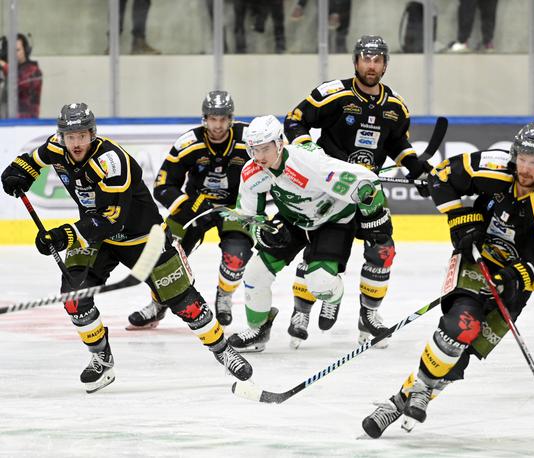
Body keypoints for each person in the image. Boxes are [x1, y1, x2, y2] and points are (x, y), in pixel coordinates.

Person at [0, 103, 252, 393]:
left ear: (93, 134)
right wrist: (17, 175)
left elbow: (111, 219)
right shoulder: (56, 147)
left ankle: (224, 352)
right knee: (74, 299)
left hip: (142, 238)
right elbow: (30, 161)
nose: (77, 142)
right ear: (62, 137)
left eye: (82, 135)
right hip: (95, 239)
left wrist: (64, 236)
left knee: (186, 303)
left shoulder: (111, 161)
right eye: (71, 136)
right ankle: (101, 359)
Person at [361, 122, 534, 438]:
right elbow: (442, 178)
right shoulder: (495, 167)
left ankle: (398, 402)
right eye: (523, 159)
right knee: (461, 325)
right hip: (476, 259)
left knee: (461, 355)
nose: (526, 168)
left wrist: (518, 276)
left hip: (516, 281)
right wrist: (461, 220)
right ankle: (415, 392)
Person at [283, 35, 431, 349]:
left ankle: (369, 317)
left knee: (382, 250)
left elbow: (398, 145)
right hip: (329, 191)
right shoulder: (333, 94)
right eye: (366, 59)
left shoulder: (395, 107)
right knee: (319, 253)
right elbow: (295, 120)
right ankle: (301, 311)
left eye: (378, 60)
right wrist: (308, 152)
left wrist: (419, 171)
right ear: (356, 61)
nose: (372, 65)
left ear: (385, 64)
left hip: (366, 193)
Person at [226, 114, 391, 353]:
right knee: (254, 274)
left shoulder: (309, 163)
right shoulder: (252, 172)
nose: (259, 157)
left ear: (280, 143)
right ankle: (258, 329)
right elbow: (248, 215)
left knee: (321, 283)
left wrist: (376, 221)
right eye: (253, 150)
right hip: (294, 220)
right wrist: (263, 232)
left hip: (332, 220)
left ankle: (332, 297)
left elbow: (367, 183)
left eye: (264, 149)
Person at [127, 90, 253, 329]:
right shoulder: (188, 143)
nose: (218, 125)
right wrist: (189, 204)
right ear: (204, 119)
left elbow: (277, 161)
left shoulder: (248, 138)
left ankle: (224, 296)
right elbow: (163, 186)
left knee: (237, 255)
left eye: (223, 119)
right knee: (165, 256)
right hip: (194, 207)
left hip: (235, 206)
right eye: (213, 119)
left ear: (231, 118)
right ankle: (158, 305)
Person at [0, 33, 42, 118]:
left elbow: (21, 83)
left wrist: (4, 66)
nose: (13, 54)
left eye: (17, 50)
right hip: (7, 123)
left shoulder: (34, 71)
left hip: (26, 123)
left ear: (25, 50)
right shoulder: (8, 70)